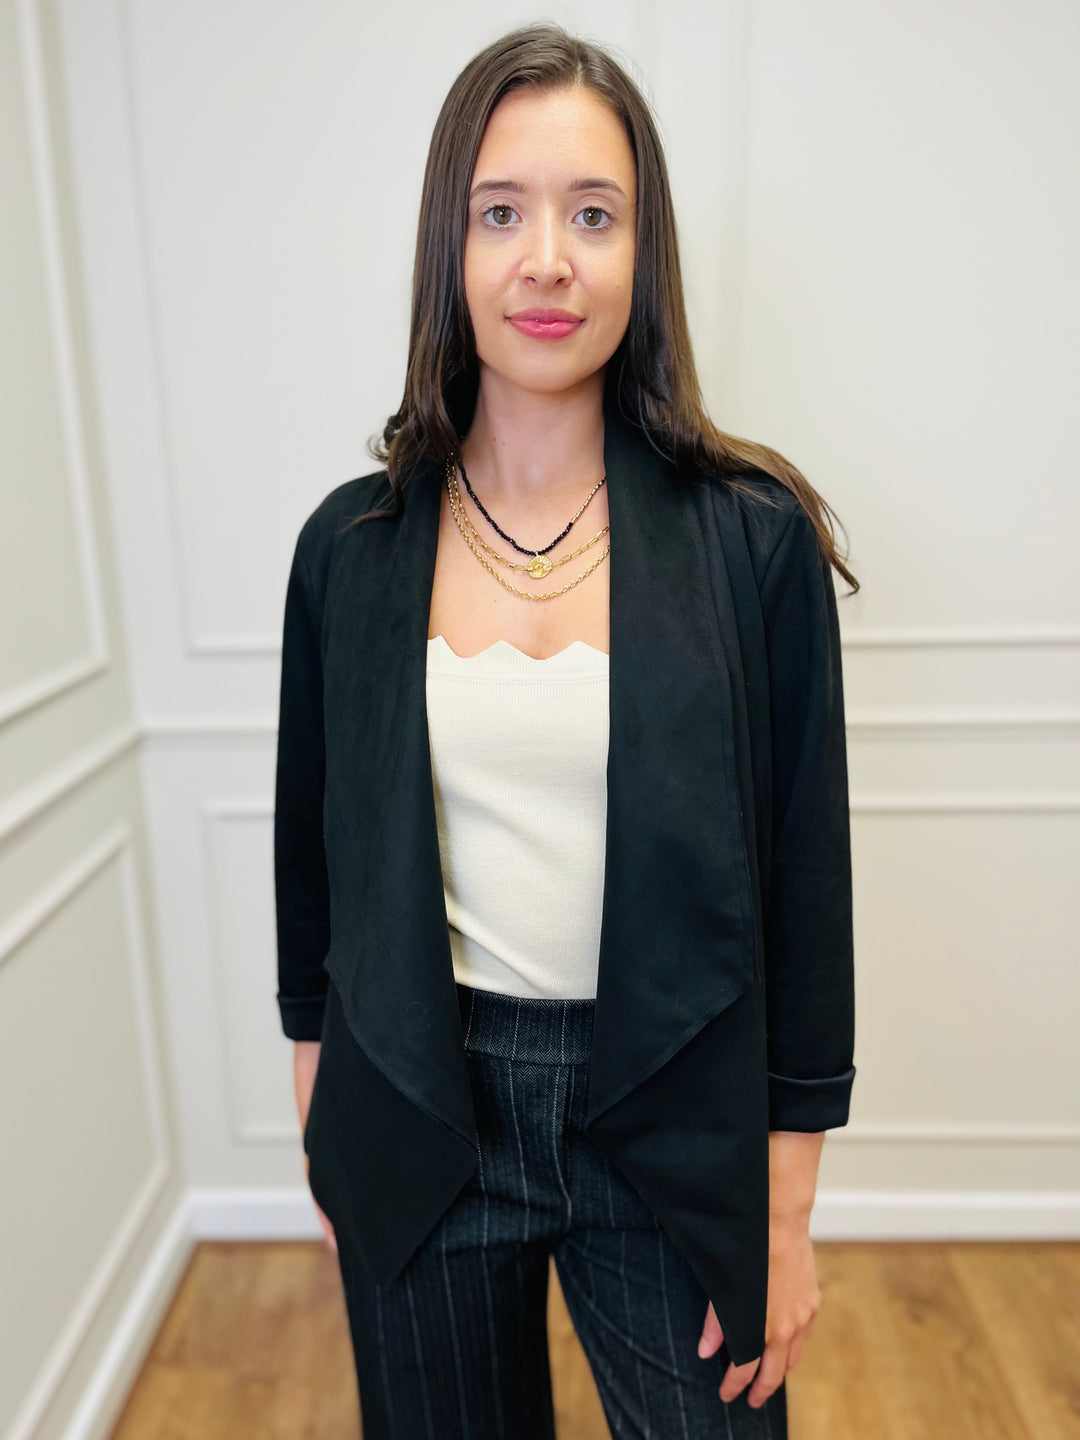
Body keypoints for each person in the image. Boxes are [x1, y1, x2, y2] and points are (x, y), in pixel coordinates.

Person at [275, 21, 858, 1439]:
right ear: (449, 246)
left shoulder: (753, 541)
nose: (548, 260)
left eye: (594, 215)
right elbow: (312, 873)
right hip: (422, 1101)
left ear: (643, 254)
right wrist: (326, 1131)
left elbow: (807, 897)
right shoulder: (349, 550)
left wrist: (785, 1214)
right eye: (501, 214)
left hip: (671, 1107)